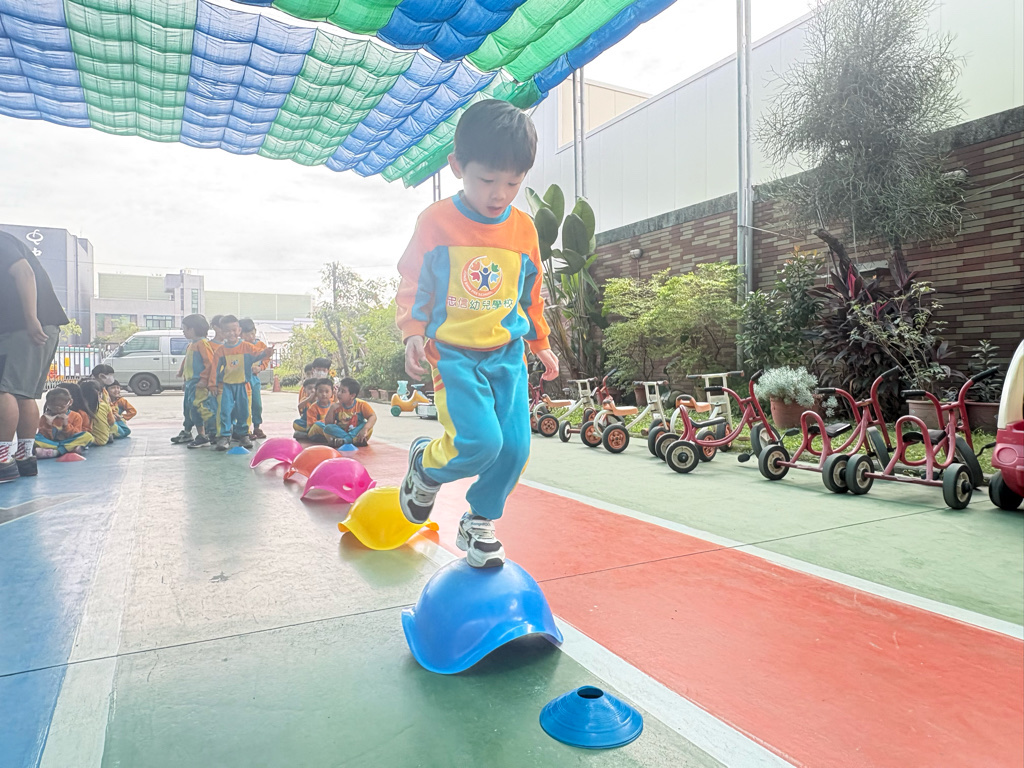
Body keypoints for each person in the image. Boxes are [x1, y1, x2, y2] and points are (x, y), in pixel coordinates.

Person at [394, 99, 558, 568]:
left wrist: (540, 342)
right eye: (487, 180)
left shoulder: (523, 229)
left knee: (515, 448)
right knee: (480, 443)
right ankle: (426, 466)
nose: (499, 194)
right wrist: (413, 331)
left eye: (513, 183)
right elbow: (415, 281)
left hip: (507, 354)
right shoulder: (436, 223)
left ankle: (479, 520)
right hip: (454, 355)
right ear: (457, 167)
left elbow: (531, 293)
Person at [0, 231, 70, 482]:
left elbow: (24, 272)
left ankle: (2, 459)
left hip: (24, 328)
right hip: (39, 327)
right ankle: (24, 457)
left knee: (3, 389)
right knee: (23, 393)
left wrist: (31, 318)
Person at [206, 315, 274, 451]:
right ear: (222, 332)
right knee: (224, 410)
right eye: (227, 331)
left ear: (239, 330)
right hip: (226, 386)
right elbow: (214, 368)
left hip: (243, 385)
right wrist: (212, 384)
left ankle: (244, 435)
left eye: (233, 330)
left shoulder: (247, 347)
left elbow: (258, 354)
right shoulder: (221, 351)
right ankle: (224, 436)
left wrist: (267, 353)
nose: (231, 333)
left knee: (244, 410)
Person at [177, 314, 218, 449]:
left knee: (199, 408)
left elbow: (210, 363)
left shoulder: (202, 344)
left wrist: (204, 379)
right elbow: (187, 362)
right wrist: (183, 376)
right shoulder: (191, 345)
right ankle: (195, 433)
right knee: (189, 408)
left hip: (198, 384)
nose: (183, 331)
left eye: (185, 329)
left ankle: (211, 432)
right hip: (191, 383)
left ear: (193, 329)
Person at [309, 377, 377, 447]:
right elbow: (328, 424)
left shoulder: (361, 404)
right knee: (328, 428)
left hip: (356, 432)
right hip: (340, 432)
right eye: (339, 390)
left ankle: (345, 440)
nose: (339, 393)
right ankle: (351, 440)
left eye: (343, 391)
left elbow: (373, 416)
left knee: (367, 425)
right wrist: (331, 409)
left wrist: (365, 429)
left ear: (352, 395)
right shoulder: (336, 406)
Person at [34, 387, 93, 458]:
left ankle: (56, 452)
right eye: (53, 407)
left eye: (61, 407)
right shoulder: (45, 417)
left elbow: (76, 434)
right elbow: (44, 436)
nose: (57, 409)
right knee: (35, 438)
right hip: (52, 443)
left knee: (88, 436)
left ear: (70, 402)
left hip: (69, 441)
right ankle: (68, 449)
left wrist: (66, 425)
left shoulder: (75, 416)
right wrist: (48, 425)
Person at [240, 318, 268, 440]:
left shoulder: (261, 345)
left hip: (254, 379)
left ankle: (257, 427)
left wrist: (260, 367)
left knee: (257, 404)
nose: (250, 337)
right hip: (241, 379)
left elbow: (266, 359)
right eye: (247, 335)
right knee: (244, 405)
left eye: (252, 333)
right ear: (240, 334)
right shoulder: (239, 346)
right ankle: (245, 429)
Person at [79, 379, 114, 446]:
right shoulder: (104, 405)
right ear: (100, 393)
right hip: (104, 438)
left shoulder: (81, 408)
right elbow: (111, 421)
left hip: (93, 440)